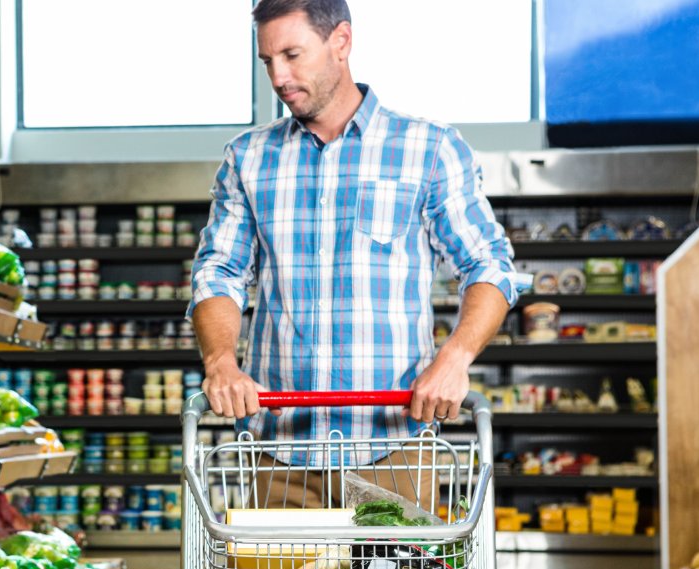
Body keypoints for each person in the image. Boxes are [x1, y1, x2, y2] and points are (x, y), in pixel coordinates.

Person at [188, 0, 521, 509]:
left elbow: (489, 265)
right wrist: (221, 362)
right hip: (280, 455)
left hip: (393, 451)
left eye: (293, 55)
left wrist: (454, 359)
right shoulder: (247, 157)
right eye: (267, 61)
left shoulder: (429, 149)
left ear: (341, 41)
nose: (279, 76)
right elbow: (220, 271)